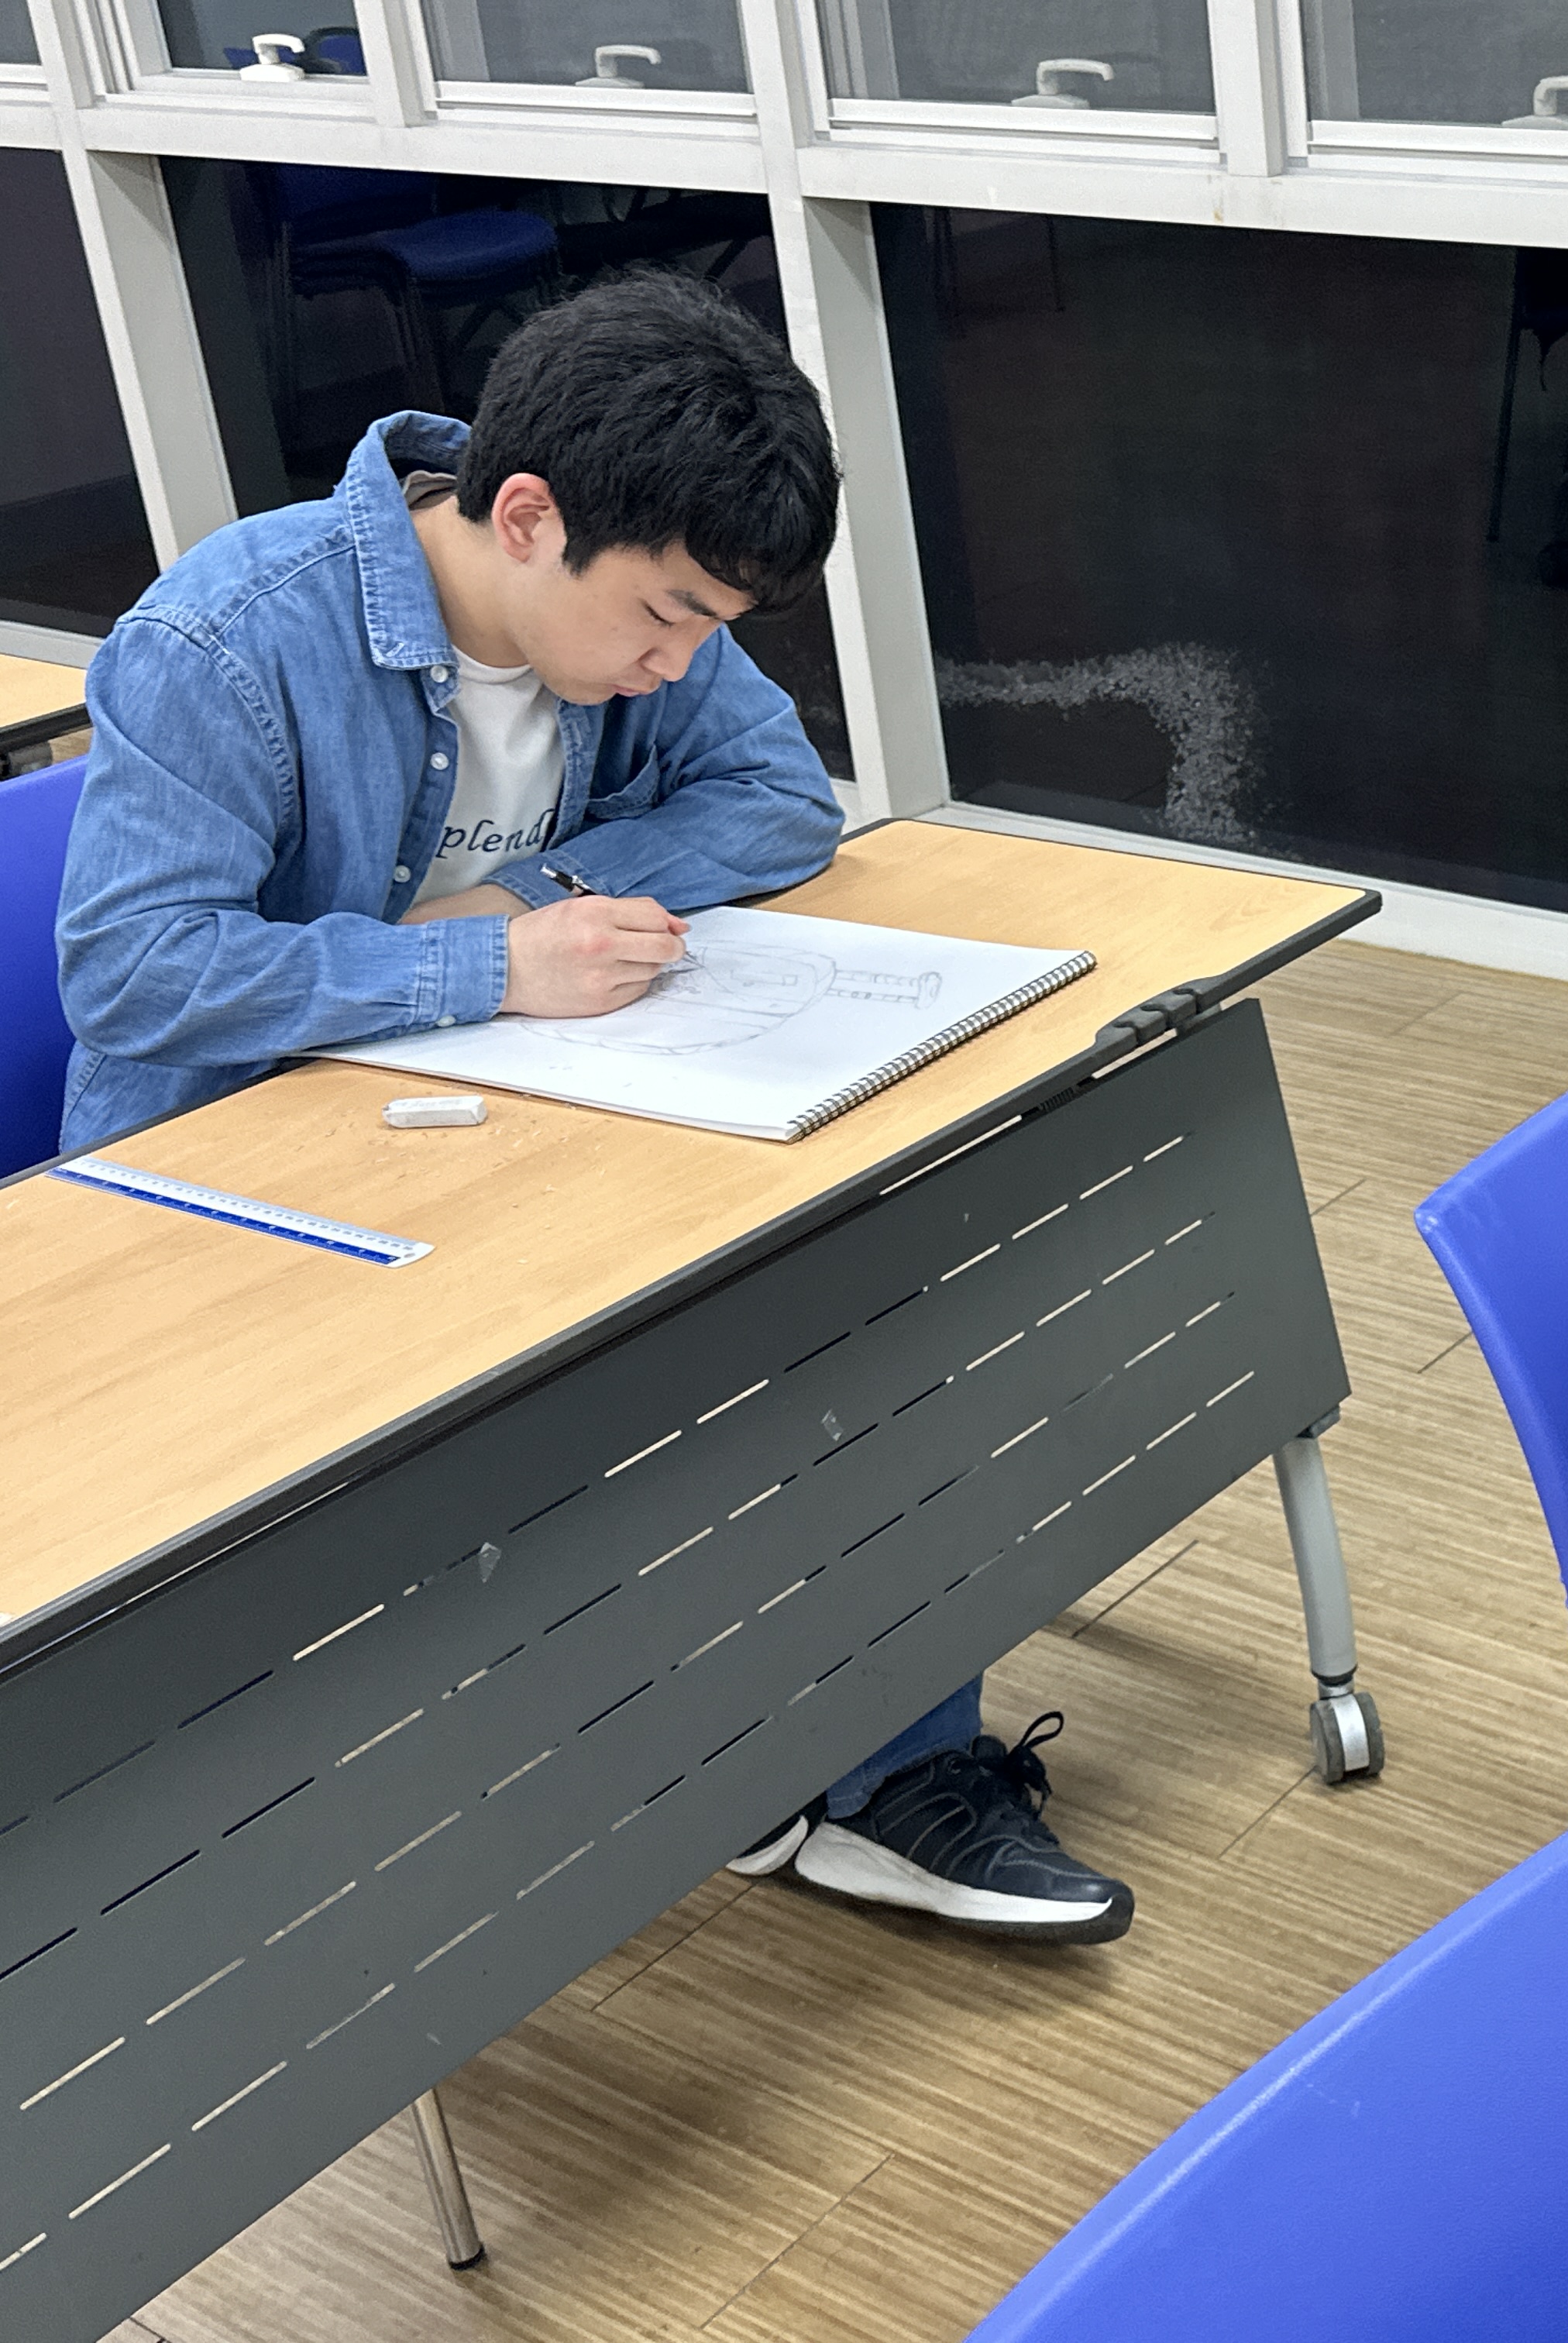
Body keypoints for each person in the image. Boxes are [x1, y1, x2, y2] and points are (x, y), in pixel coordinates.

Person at [56, 269, 1133, 1947]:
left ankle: (874, 1773)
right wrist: (483, 970)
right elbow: (135, 972)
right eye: (668, 618)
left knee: (873, 1275)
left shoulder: (627, 593)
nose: (677, 661)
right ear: (529, 517)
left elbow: (777, 798)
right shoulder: (230, 637)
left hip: (501, 1118)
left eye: (710, 627)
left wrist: (535, 903)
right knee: (636, 1378)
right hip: (236, 1193)